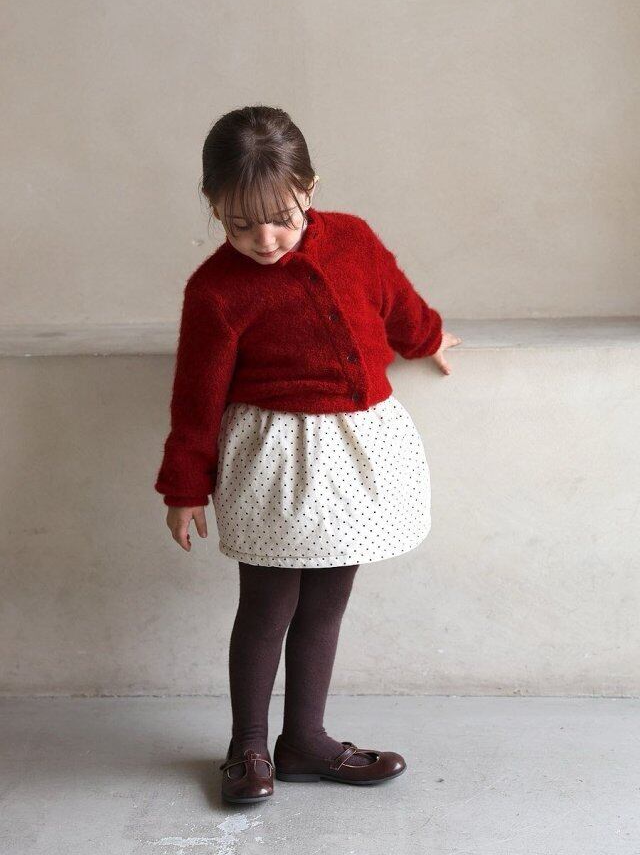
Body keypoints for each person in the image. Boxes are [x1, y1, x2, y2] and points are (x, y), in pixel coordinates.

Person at [154, 105, 462, 803]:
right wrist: (184, 488)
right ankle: (248, 748)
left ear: (310, 190)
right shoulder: (216, 291)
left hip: (354, 453)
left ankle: (305, 742)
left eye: (282, 219)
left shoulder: (352, 240)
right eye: (240, 225)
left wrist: (429, 339)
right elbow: (195, 399)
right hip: (274, 463)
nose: (264, 240)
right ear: (213, 206)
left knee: (326, 603)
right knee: (267, 606)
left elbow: (398, 303)